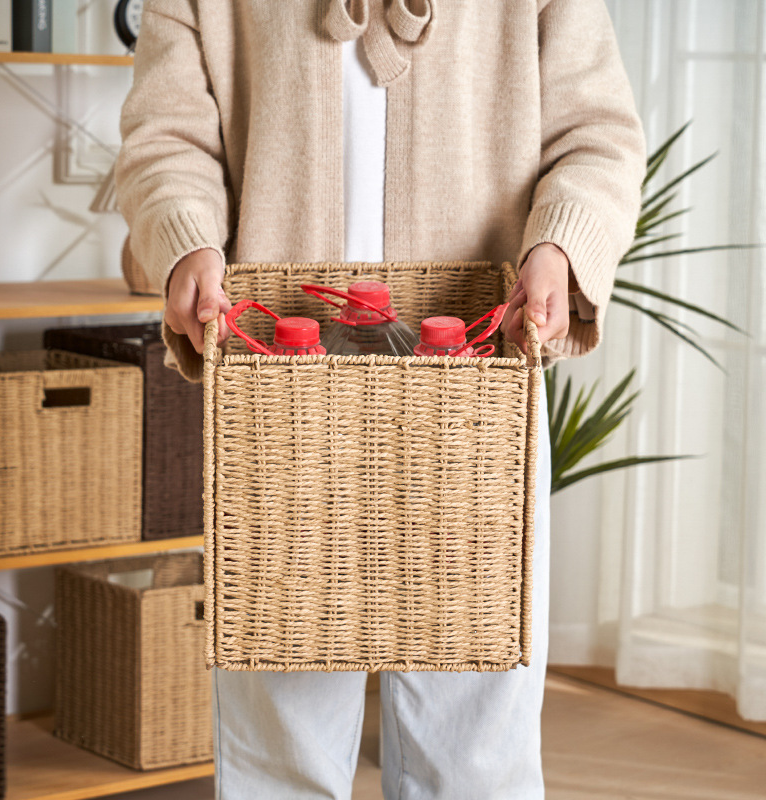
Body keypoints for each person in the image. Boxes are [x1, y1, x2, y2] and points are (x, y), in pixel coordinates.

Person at [116, 1, 645, 797]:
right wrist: (186, 237)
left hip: (473, 369)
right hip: (283, 385)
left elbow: (597, 133)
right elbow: (167, 135)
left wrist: (560, 247)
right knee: (280, 718)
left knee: (472, 727)